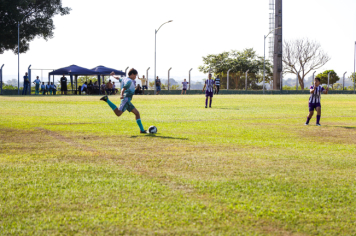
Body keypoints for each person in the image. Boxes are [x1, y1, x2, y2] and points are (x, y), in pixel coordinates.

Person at [100, 68, 147, 134]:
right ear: (132, 74)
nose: (136, 77)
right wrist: (121, 95)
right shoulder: (129, 81)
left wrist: (113, 75)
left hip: (127, 100)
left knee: (137, 113)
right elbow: (123, 89)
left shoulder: (124, 79)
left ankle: (142, 130)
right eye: (135, 75)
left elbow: (117, 78)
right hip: (126, 99)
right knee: (118, 113)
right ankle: (107, 100)